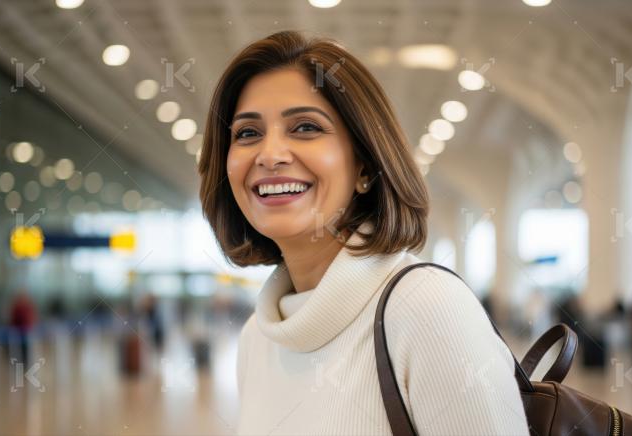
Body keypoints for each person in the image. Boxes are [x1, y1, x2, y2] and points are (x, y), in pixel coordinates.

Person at [199, 31, 528, 434]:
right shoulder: (257, 339)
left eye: (305, 127)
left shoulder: (427, 308)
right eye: (247, 133)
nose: (270, 155)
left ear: (365, 168)